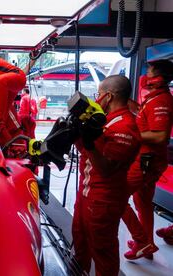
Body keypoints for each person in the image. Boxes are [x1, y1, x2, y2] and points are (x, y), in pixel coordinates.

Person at [72, 75, 141, 275]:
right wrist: (78, 133)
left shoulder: (125, 127)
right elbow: (86, 153)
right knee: (80, 242)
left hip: (104, 200)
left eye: (99, 94)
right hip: (86, 194)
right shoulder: (105, 121)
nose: (97, 98)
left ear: (108, 96)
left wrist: (89, 142)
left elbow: (106, 168)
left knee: (103, 252)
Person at [122, 59, 173, 259]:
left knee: (116, 196)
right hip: (147, 159)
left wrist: (130, 133)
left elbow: (160, 136)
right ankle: (147, 242)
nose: (146, 74)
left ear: (158, 78)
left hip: (147, 160)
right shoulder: (155, 98)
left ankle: (141, 242)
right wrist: (124, 100)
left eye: (150, 71)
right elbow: (143, 114)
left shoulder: (161, 101)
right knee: (142, 201)